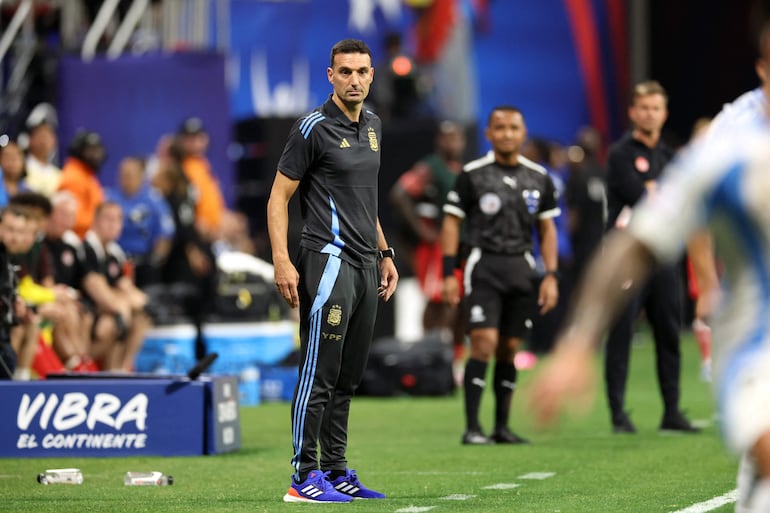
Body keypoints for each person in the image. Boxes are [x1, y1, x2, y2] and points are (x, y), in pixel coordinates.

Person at [267, 38, 398, 504]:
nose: (354, 80)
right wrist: (282, 260)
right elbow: (278, 198)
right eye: (345, 72)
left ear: (372, 75)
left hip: (366, 264)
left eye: (362, 71)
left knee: (347, 378)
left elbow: (365, 200)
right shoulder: (312, 128)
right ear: (330, 76)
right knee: (318, 374)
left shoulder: (375, 125)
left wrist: (386, 254)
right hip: (328, 261)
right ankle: (303, 477)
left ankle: (336, 469)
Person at [440, 105, 559, 445]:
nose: (507, 133)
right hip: (484, 267)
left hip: (521, 269)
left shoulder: (539, 177)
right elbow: (452, 222)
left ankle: (502, 427)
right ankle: (473, 427)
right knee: (484, 343)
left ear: (523, 133)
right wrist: (450, 273)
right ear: (488, 134)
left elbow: (547, 229)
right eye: (500, 128)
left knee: (508, 348)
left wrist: (550, 275)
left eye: (513, 128)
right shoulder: (472, 174)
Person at [602, 80, 697, 434]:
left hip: (664, 255)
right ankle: (617, 413)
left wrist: (659, 193)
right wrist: (661, 192)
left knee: (669, 332)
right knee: (622, 331)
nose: (649, 113)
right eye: (643, 107)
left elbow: (682, 201)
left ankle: (671, 411)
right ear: (632, 112)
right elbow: (642, 199)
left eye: (656, 108)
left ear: (664, 113)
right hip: (627, 255)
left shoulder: (670, 157)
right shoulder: (619, 154)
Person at [389, 119, 466, 333]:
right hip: (439, 248)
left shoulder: (462, 170)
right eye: (447, 137)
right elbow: (399, 194)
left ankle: (452, 355)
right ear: (439, 141)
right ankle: (432, 350)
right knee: (438, 298)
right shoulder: (431, 167)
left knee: (458, 301)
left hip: (461, 244)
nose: (453, 143)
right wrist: (422, 230)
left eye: (457, 137)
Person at [80, 201, 150, 372]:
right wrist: (120, 306)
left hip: (107, 310)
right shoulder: (86, 248)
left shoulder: (116, 253)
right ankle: (84, 365)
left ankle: (121, 368)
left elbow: (125, 287)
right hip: (86, 311)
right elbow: (94, 286)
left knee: (141, 317)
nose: (113, 224)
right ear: (95, 221)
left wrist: (147, 304)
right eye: (108, 219)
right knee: (114, 322)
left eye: (118, 220)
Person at [106, 156, 175, 288]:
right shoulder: (109, 197)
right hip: (115, 259)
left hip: (144, 261)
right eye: (123, 175)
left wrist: (156, 260)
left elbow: (166, 232)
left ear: (141, 177)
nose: (125, 180)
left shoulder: (154, 199)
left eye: (130, 175)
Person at [57, 130, 106, 239]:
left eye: (97, 150)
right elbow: (72, 220)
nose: (96, 155)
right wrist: (101, 224)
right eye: (91, 151)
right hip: (77, 239)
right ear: (79, 151)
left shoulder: (88, 176)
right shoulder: (73, 177)